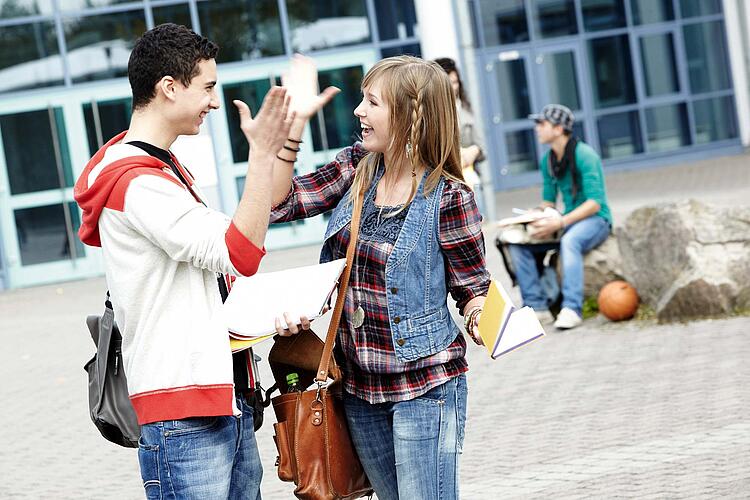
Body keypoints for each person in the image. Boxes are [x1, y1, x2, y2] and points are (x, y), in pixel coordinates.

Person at [73, 24, 331, 499]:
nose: (215, 102)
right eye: (208, 88)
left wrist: (285, 139)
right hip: (184, 413)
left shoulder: (160, 166)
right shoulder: (137, 182)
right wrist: (260, 153)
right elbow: (240, 251)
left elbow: (224, 259)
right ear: (169, 88)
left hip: (220, 398)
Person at [258, 55, 491, 499]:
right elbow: (279, 203)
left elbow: (472, 286)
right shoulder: (357, 169)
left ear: (412, 114)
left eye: (372, 102)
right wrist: (293, 130)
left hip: (425, 386)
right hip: (360, 391)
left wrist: (481, 317)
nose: (358, 112)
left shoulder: (450, 197)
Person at [508, 104, 612, 330]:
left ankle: (572, 309)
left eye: (542, 124)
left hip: (596, 221)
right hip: (566, 220)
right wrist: (534, 215)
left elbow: (595, 203)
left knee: (570, 241)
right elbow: (548, 202)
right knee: (515, 242)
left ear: (558, 129)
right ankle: (537, 308)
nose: (537, 128)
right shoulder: (548, 160)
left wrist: (561, 222)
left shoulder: (585, 155)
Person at [434, 57, 487, 217]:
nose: (453, 87)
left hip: (469, 178)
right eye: (448, 83)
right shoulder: (430, 112)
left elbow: (481, 145)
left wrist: (474, 151)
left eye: (455, 82)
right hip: (444, 184)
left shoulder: (465, 107)